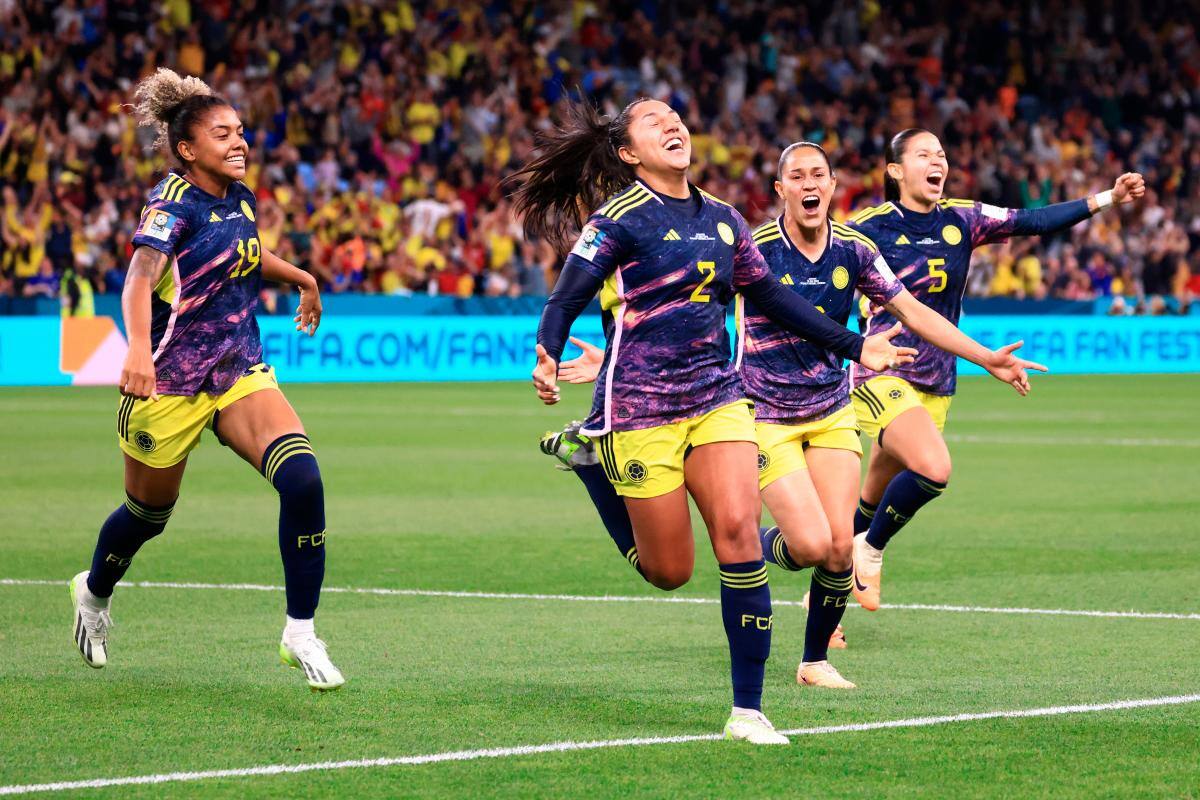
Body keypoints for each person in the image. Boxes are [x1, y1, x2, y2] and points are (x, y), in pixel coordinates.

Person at [548, 142, 1043, 692]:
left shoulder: (854, 249)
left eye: (820, 175)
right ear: (780, 190)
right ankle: (741, 540)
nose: (810, 184)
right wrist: (617, 355)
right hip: (763, 415)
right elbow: (688, 306)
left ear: (833, 187)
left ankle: (813, 661)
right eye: (797, 176)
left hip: (831, 411)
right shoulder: (753, 246)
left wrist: (985, 357)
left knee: (837, 547)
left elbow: (911, 310)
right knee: (807, 545)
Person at [513, 97, 915, 744]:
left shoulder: (727, 222)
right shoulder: (618, 219)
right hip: (640, 409)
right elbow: (569, 291)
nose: (672, 124)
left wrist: (852, 344)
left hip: (719, 399)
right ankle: (591, 466)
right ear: (627, 152)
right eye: (653, 122)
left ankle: (748, 712)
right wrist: (547, 351)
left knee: (737, 536)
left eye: (676, 116)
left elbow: (776, 299)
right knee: (668, 571)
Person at [68, 69, 345, 691]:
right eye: (222, 135)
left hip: (237, 372)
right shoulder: (171, 206)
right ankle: (93, 591)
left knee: (302, 478)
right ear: (188, 149)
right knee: (146, 516)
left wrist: (301, 276)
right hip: (166, 385)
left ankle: (299, 632)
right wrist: (137, 351)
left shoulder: (239, 197)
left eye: (241, 132)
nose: (238, 142)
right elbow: (139, 279)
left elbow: (245, 252)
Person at [846, 128, 1145, 610]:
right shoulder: (868, 226)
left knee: (871, 497)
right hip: (882, 373)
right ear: (896, 170)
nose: (936, 161)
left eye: (941, 153)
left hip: (937, 381)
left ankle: (829, 603)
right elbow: (826, 276)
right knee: (932, 469)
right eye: (924, 154)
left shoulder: (964, 218)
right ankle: (871, 551)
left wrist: (1108, 197)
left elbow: (1034, 221)